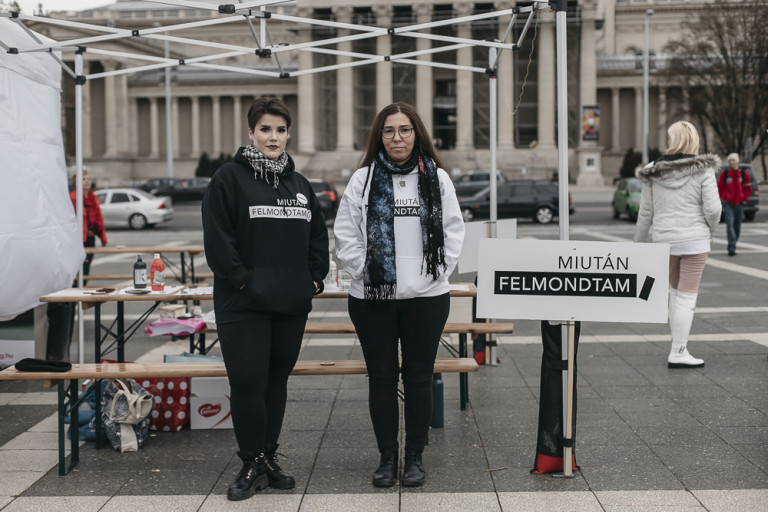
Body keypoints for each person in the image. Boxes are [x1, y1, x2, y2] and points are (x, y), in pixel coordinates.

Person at [201, 97, 329, 501]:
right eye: (265, 129)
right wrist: (243, 282)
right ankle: (250, 460)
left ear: (288, 134)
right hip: (244, 304)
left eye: (280, 129)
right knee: (248, 381)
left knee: (275, 382)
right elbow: (218, 239)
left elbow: (317, 236)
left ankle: (269, 458)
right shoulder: (228, 178)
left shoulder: (299, 184)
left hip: (290, 304)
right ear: (251, 133)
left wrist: (313, 279)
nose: (273, 137)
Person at [334, 103, 465, 488]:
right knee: (382, 378)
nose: (397, 138)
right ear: (380, 135)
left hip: (426, 297)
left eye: (404, 130)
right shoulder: (362, 179)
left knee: (420, 378)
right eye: (389, 131)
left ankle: (415, 458)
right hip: (372, 297)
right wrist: (367, 272)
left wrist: (430, 275)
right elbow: (345, 236)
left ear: (416, 133)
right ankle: (387, 457)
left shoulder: (437, 178)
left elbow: (454, 232)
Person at [634, 121, 721, 368]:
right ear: (693, 140)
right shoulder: (703, 169)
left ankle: (677, 347)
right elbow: (713, 209)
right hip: (694, 241)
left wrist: (637, 244)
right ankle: (679, 350)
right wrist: (709, 231)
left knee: (674, 293)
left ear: (671, 140)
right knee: (686, 297)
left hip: (664, 240)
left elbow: (645, 212)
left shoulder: (653, 170)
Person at [46, 169, 107, 361]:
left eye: (88, 178)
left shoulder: (92, 198)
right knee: (78, 272)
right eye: (83, 179)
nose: (87, 182)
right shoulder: (73, 198)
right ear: (76, 183)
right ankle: (76, 291)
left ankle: (80, 289)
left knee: (86, 271)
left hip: (89, 239)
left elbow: (98, 218)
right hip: (77, 241)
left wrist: (102, 238)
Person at [717, 153, 752, 256]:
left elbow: (748, 187)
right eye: (730, 161)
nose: (731, 162)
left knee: (737, 227)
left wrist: (745, 199)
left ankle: (734, 242)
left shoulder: (743, 174)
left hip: (740, 204)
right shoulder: (725, 174)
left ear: (737, 162)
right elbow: (720, 187)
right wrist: (723, 197)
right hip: (728, 204)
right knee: (730, 225)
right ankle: (731, 247)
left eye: (733, 160)